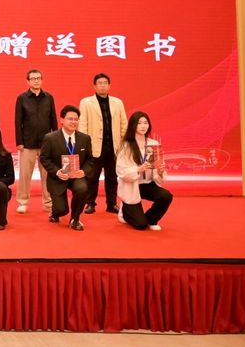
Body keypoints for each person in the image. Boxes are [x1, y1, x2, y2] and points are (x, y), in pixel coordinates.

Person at [40, 105, 96, 231]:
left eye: (76, 119)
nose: (73, 122)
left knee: (82, 188)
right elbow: (44, 158)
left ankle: (75, 219)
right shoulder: (50, 138)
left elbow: (90, 160)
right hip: (58, 177)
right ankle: (55, 213)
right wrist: (57, 172)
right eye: (70, 119)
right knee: (62, 210)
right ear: (62, 120)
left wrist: (83, 171)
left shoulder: (85, 138)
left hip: (76, 176)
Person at [79, 73, 128, 214]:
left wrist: (124, 143)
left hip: (113, 146)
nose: (102, 86)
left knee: (112, 177)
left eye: (105, 83)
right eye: (99, 83)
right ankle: (90, 204)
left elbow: (123, 124)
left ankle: (111, 204)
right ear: (94, 86)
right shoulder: (86, 102)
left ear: (109, 85)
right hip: (94, 146)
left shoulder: (117, 102)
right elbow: (82, 125)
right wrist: (84, 146)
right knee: (91, 177)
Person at [115, 111, 173, 230]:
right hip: (132, 185)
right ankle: (124, 209)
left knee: (166, 196)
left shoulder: (154, 144)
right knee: (140, 225)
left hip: (148, 184)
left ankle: (151, 219)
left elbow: (157, 167)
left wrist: (160, 171)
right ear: (133, 125)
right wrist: (138, 169)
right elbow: (121, 170)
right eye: (139, 123)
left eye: (145, 123)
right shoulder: (126, 145)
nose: (143, 126)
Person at [14, 69, 57, 214]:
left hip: (47, 143)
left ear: (42, 80)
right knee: (25, 175)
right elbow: (18, 121)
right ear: (28, 81)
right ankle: (23, 202)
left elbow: (53, 119)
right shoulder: (22, 98)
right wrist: (19, 142)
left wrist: (56, 139)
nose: (36, 81)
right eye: (33, 78)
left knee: (47, 174)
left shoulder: (49, 98)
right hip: (27, 143)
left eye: (38, 78)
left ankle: (48, 202)